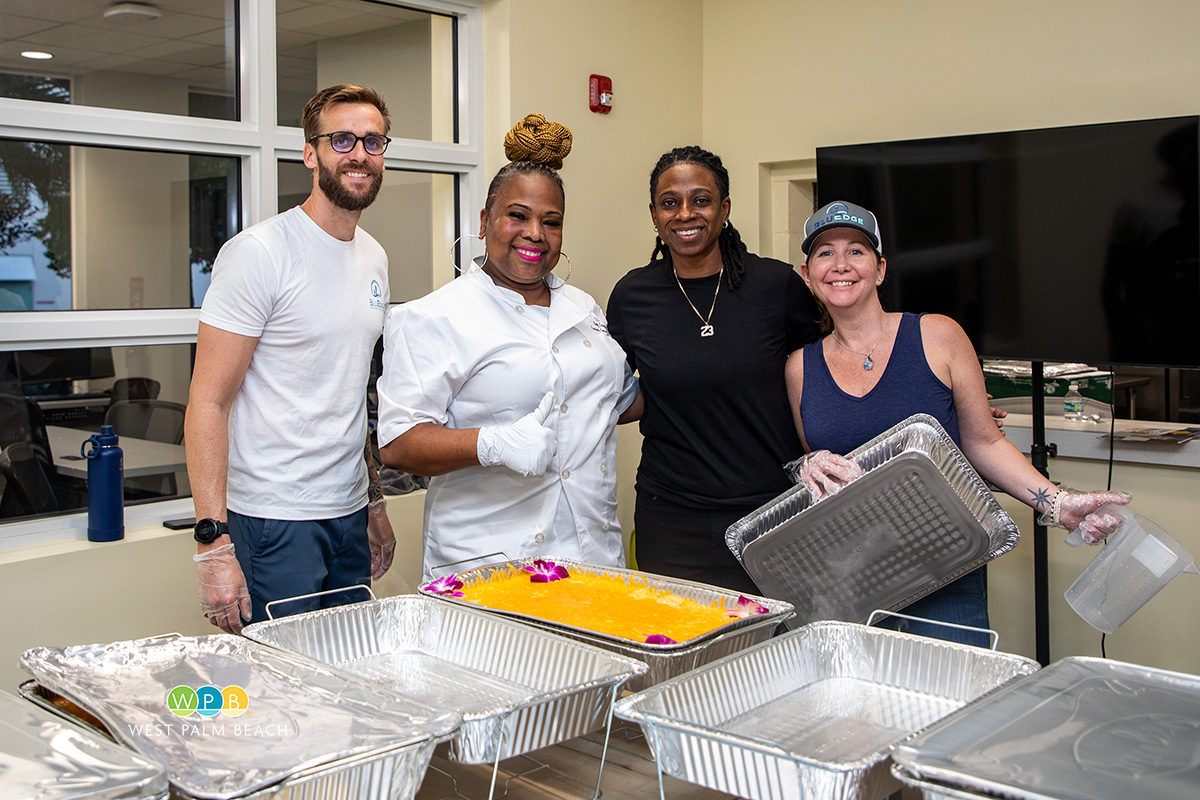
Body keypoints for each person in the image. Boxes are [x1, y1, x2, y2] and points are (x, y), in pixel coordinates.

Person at [785, 200, 1131, 645]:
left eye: (856, 251)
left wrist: (1058, 504)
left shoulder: (938, 335)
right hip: (850, 574)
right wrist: (805, 465)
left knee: (953, 704)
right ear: (808, 272)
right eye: (825, 253)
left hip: (945, 564)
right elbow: (813, 464)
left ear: (880, 268)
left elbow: (983, 443)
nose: (841, 265)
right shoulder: (800, 368)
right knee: (865, 708)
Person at [376, 114, 639, 578]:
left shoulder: (583, 307)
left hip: (592, 552)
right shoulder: (433, 316)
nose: (535, 233)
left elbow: (612, 402)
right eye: (517, 215)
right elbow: (399, 445)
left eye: (551, 221)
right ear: (485, 221)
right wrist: (493, 444)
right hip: (491, 561)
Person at [187, 84, 397, 633]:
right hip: (274, 519)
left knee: (348, 678)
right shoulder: (259, 253)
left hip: (347, 513)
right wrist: (213, 544)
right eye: (343, 139)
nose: (359, 154)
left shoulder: (373, 256)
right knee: (285, 697)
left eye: (372, 141)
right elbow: (208, 403)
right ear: (311, 153)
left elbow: (349, 394)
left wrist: (372, 501)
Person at [606, 146, 820, 595]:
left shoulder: (775, 287)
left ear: (724, 209)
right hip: (672, 516)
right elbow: (610, 390)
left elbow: (830, 376)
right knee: (682, 649)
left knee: (775, 653)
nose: (685, 214)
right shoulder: (632, 296)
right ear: (654, 213)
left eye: (701, 200)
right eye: (670, 202)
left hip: (773, 511)